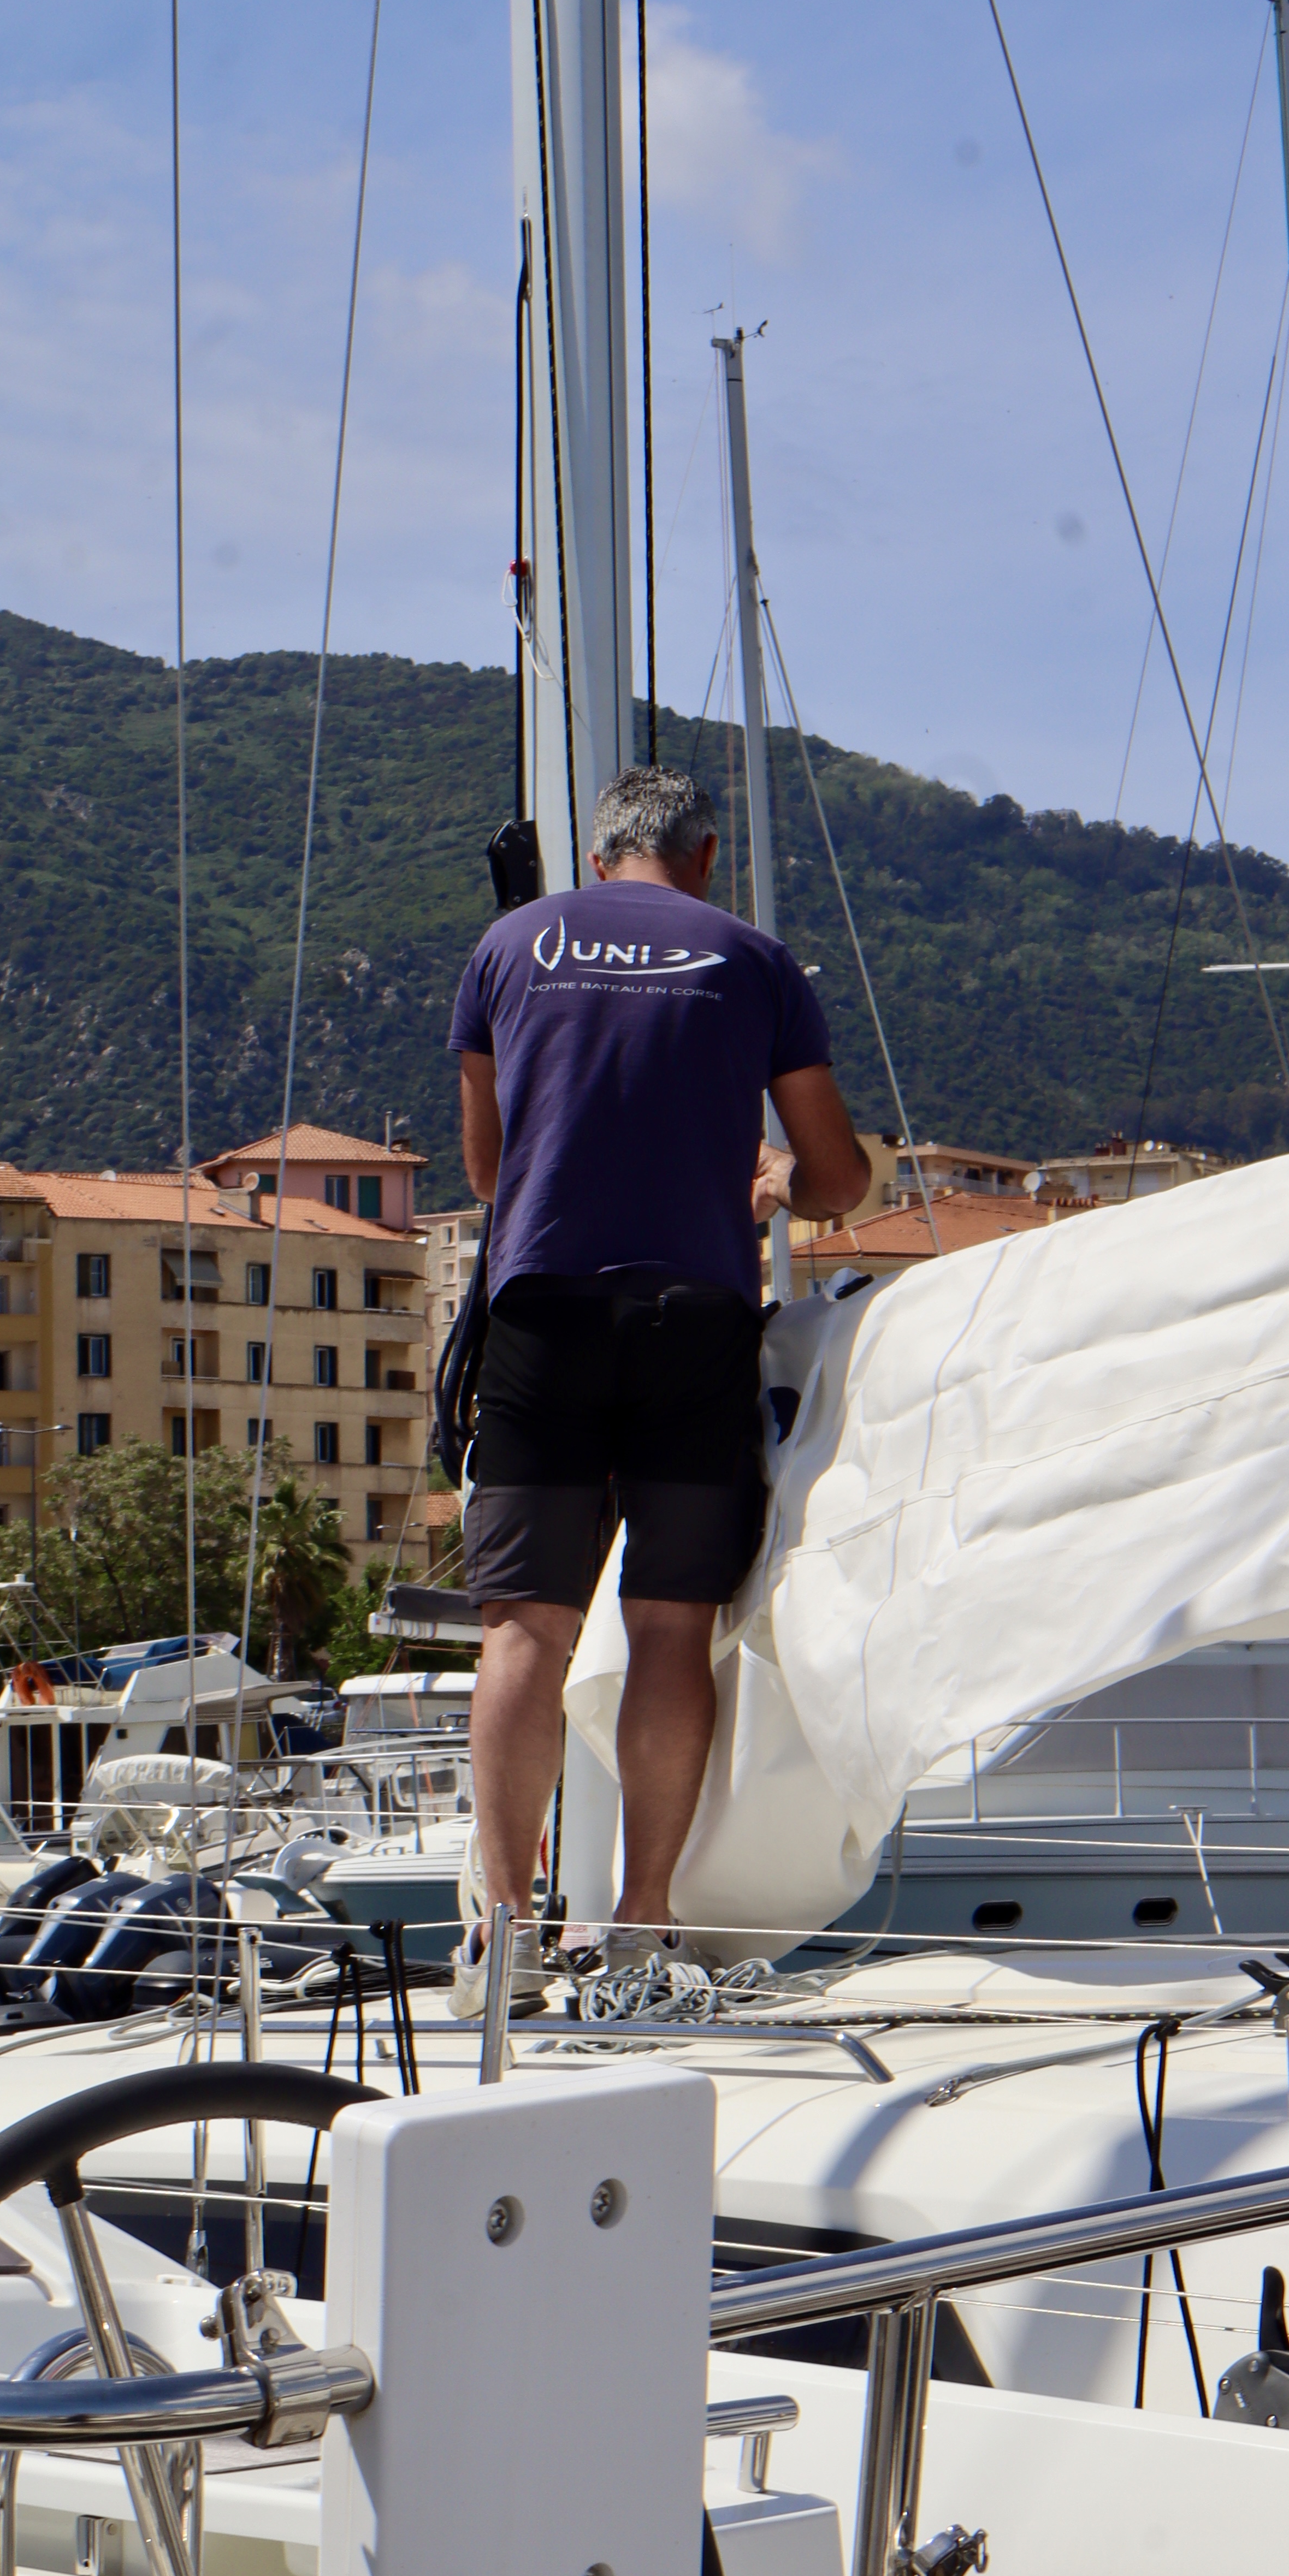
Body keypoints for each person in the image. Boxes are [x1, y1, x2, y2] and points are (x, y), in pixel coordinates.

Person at [445, 764, 870, 2006]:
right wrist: (773, 1186)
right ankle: (640, 1925)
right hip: (694, 1319)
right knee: (671, 1626)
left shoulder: (508, 946)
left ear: (594, 861)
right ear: (705, 855)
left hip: (544, 1305)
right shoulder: (753, 960)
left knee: (526, 1624)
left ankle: (506, 1931)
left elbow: (485, 1166)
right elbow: (837, 1180)